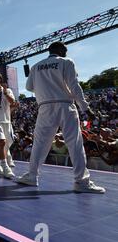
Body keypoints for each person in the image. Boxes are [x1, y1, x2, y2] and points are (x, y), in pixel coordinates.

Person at [15, 41, 105, 193]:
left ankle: (32, 176)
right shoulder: (66, 62)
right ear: (57, 49)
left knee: (39, 144)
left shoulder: (36, 66)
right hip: (65, 105)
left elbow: (29, 87)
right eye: (64, 49)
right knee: (74, 144)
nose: (66, 52)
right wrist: (85, 108)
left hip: (45, 107)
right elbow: (74, 85)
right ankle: (81, 182)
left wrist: (45, 85)